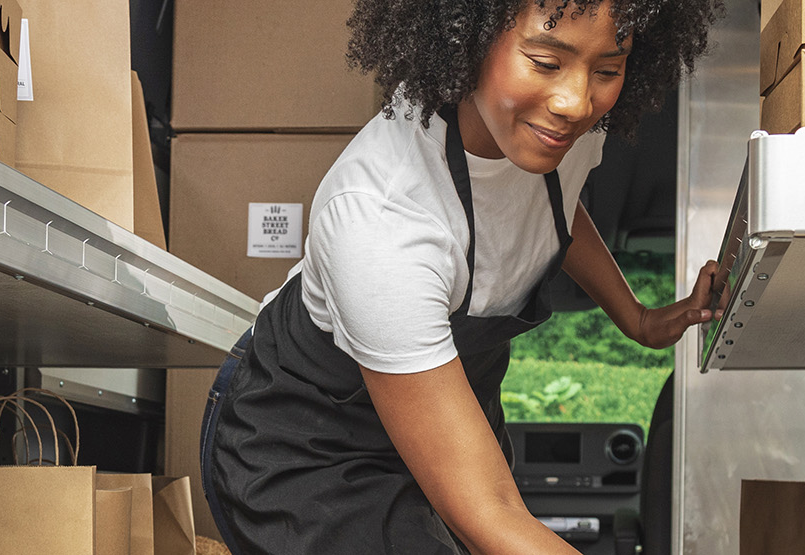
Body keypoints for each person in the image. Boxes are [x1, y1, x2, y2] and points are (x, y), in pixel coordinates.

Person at [199, 0, 721, 553]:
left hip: (442, 413)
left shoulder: (560, 130)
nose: (576, 101)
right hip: (311, 449)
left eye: (608, 70)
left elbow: (552, 210)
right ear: (467, 39)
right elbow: (488, 512)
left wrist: (635, 316)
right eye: (545, 62)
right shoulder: (384, 219)